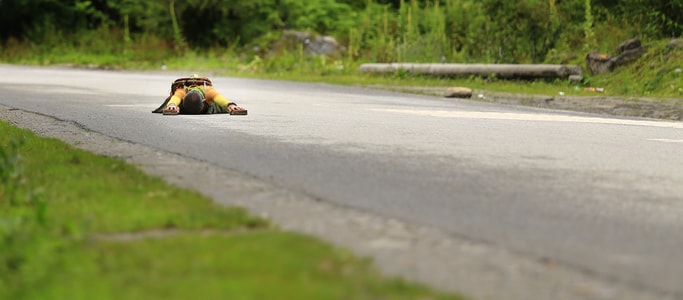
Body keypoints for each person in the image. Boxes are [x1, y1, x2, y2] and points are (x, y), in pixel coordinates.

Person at [153, 75, 247, 115]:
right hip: (183, 103)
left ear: (204, 101)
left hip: (209, 103)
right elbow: (175, 99)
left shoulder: (208, 91)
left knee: (219, 106)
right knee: (168, 103)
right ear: (183, 100)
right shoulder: (181, 91)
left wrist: (231, 106)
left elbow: (221, 100)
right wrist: (172, 105)